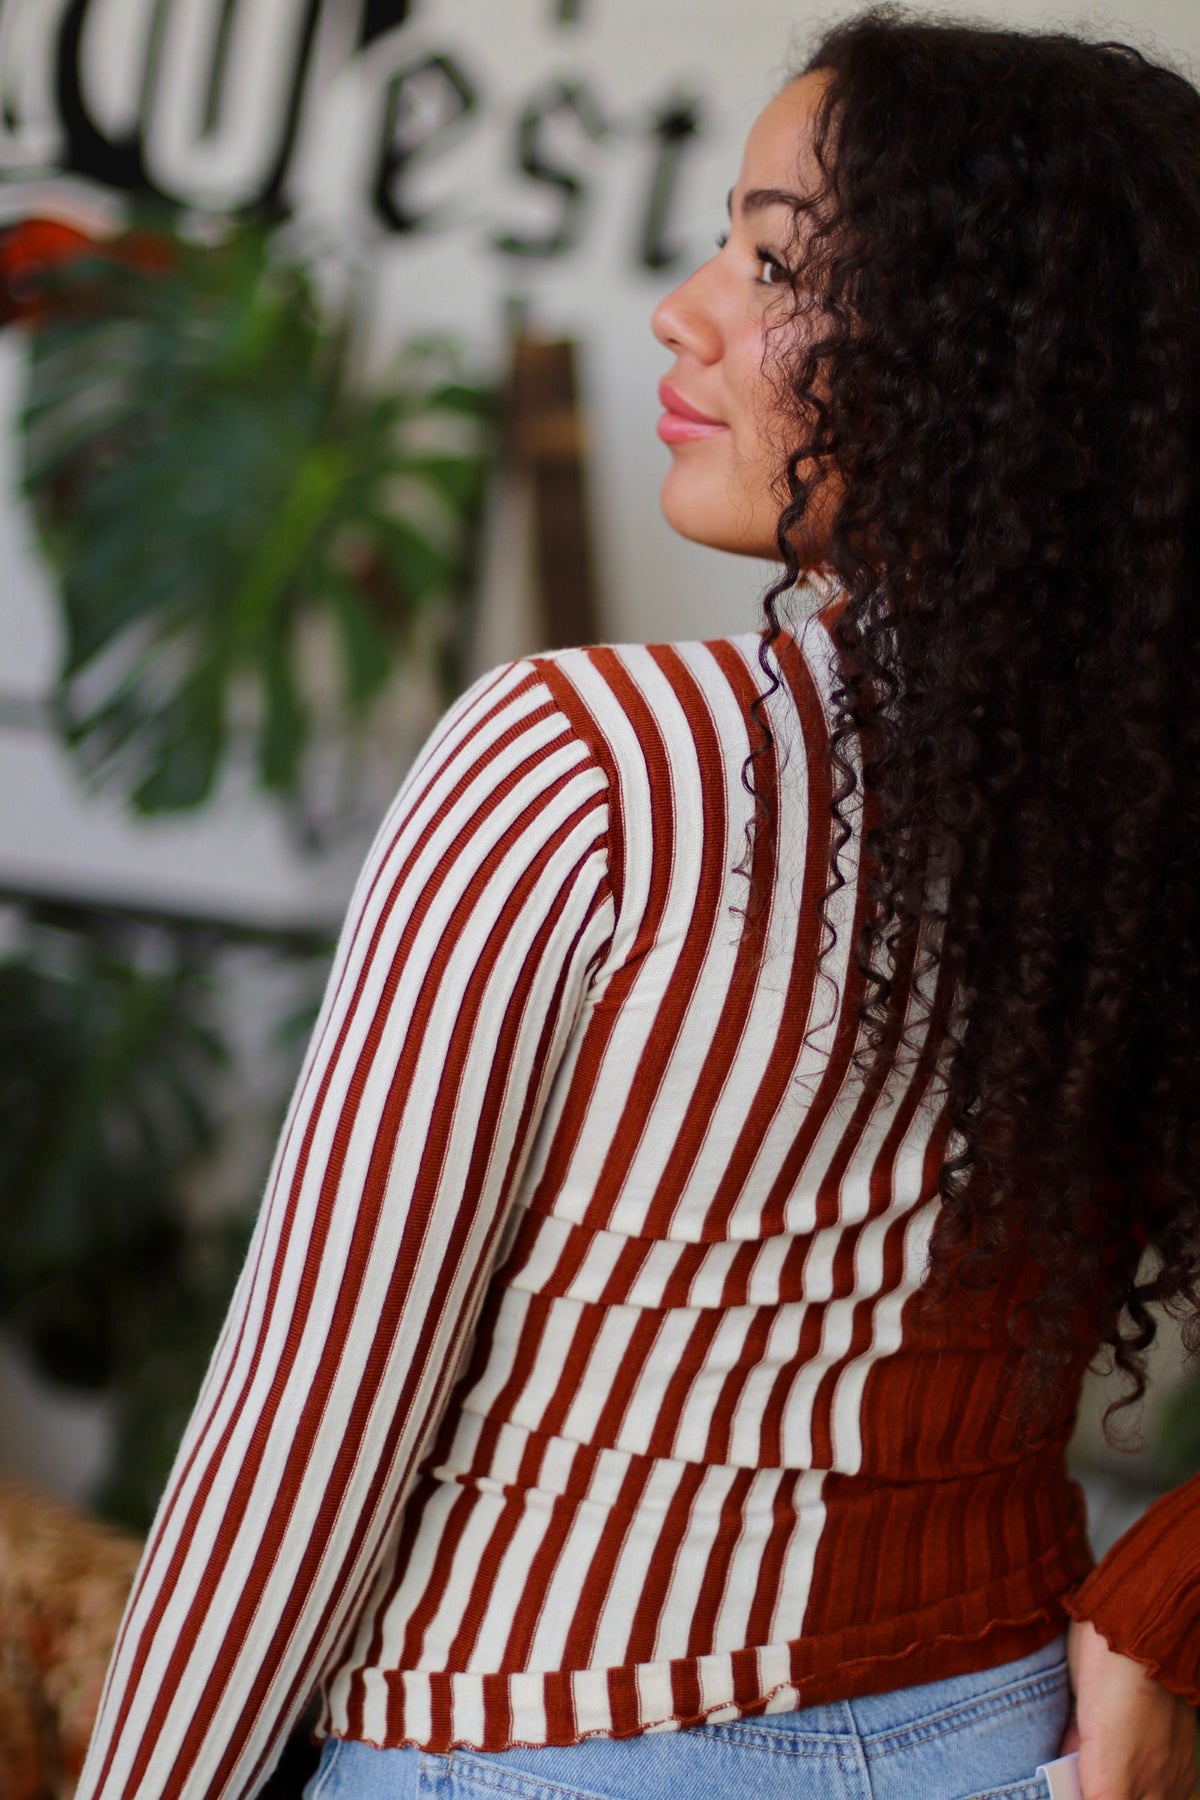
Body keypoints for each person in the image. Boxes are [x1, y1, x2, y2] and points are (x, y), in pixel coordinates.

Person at [76, 8, 1200, 1800]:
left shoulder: (590, 762)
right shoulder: (1142, 823)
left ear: (997, 364)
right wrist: (1158, 1617)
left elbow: (307, 1427)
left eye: (774, 262)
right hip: (1010, 1735)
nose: (684, 311)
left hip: (542, 1747)